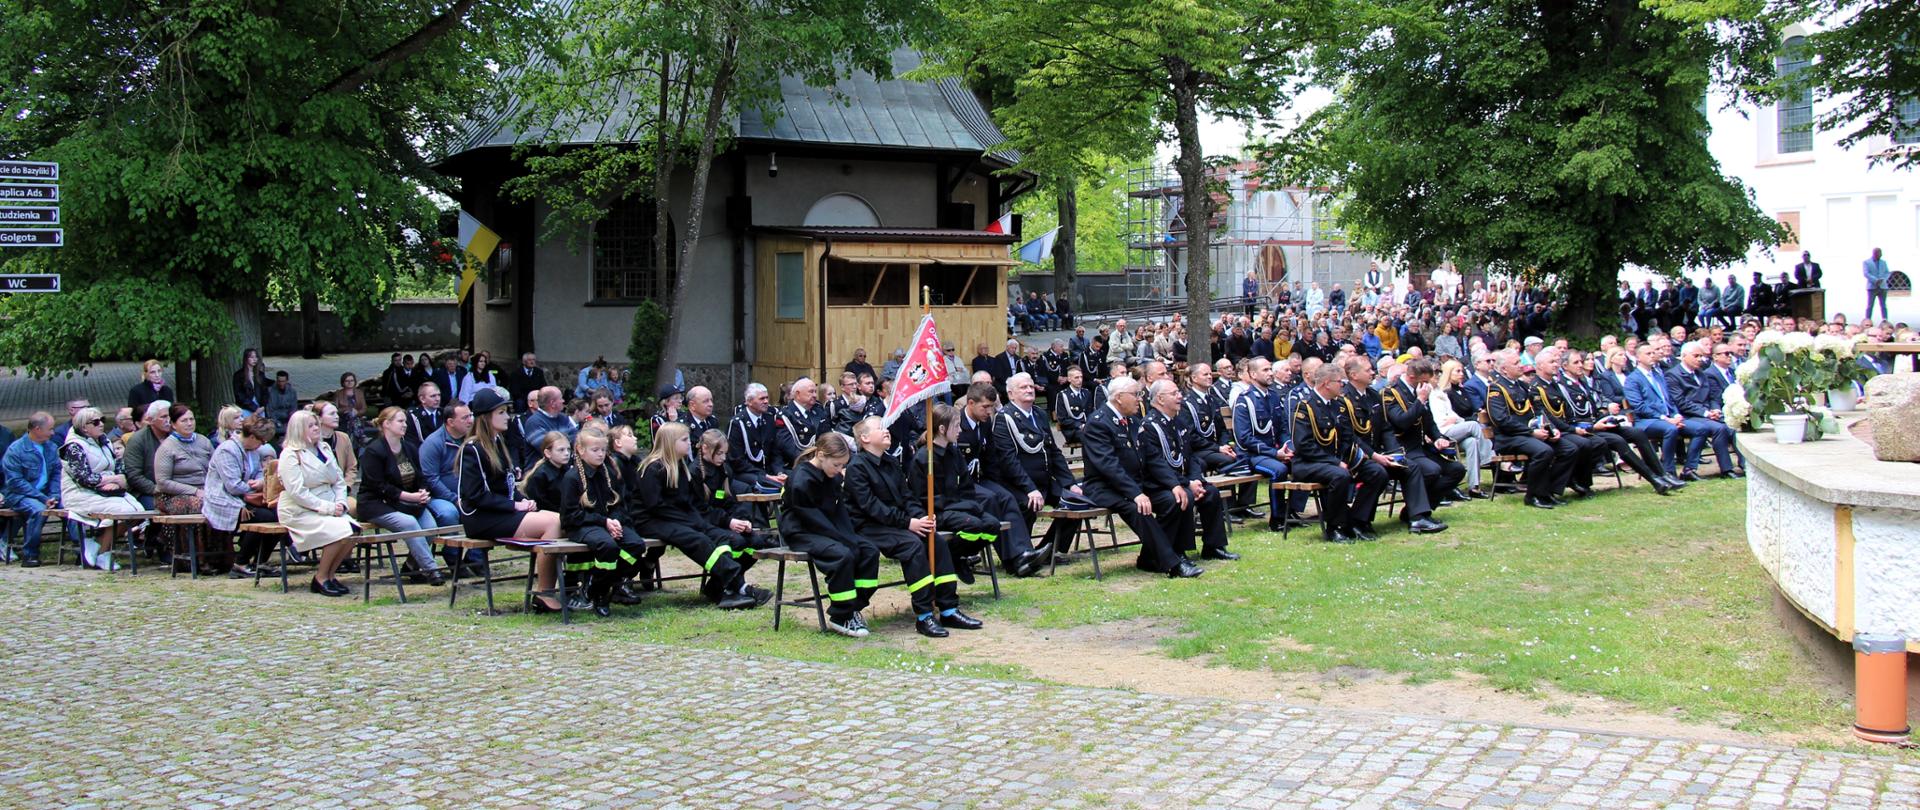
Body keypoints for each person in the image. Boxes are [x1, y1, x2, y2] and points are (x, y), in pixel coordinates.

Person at [846, 416, 981, 638]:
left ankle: (948, 608)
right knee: (912, 546)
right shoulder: (857, 468)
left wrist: (922, 518)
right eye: (880, 428)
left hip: (897, 522)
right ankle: (924, 614)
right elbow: (872, 508)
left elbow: (907, 497)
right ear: (865, 438)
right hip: (870, 527)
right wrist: (908, 523)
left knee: (934, 539)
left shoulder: (890, 463)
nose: (886, 431)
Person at [633, 422, 771, 610]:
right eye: (684, 440)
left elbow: (686, 503)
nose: (689, 443)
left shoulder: (679, 467)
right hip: (650, 520)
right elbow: (655, 506)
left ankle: (724, 587)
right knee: (696, 538)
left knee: (720, 535)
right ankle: (738, 586)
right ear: (669, 442)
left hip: (675, 517)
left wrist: (699, 521)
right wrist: (691, 521)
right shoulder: (652, 468)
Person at [1077, 377, 1200, 577]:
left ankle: (1154, 557)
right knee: (1138, 509)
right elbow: (1109, 467)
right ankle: (1172, 564)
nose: (1140, 399)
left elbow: (1153, 458)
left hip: (1134, 484)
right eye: (1135, 395)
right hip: (1106, 487)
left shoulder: (1133, 421)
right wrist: (1136, 494)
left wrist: (1174, 484)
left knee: (1175, 498)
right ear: (1118, 398)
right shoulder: (1098, 424)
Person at [457, 387, 567, 611]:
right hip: (482, 518)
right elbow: (475, 496)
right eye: (501, 413)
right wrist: (515, 505)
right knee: (553, 523)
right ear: (486, 417)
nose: (507, 417)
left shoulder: (498, 443)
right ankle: (544, 593)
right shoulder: (473, 449)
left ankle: (567, 584)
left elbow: (506, 485)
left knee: (560, 518)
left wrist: (523, 501)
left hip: (501, 512)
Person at [779, 431, 882, 637]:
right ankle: (840, 615)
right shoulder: (801, 479)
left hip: (827, 528)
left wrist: (850, 537)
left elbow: (839, 513)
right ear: (821, 455)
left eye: (843, 465)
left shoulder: (832, 477)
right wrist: (842, 539)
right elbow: (813, 520)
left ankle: (854, 607)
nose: (840, 470)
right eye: (837, 465)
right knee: (842, 555)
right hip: (802, 532)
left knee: (869, 550)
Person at [555, 428, 650, 617]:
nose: (600, 454)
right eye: (595, 450)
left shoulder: (608, 474)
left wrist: (615, 520)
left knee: (636, 545)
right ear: (581, 450)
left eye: (602, 450)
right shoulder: (572, 478)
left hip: (608, 523)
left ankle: (594, 587)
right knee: (607, 547)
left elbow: (617, 503)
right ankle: (599, 594)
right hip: (583, 526)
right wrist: (604, 521)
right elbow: (570, 516)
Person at [954, 382, 1047, 576]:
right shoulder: (956, 423)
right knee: (990, 499)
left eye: (992, 406)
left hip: (980, 478)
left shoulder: (985, 423)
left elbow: (990, 458)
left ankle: (1024, 552)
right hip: (960, 483)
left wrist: (998, 483)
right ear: (970, 403)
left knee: (1007, 496)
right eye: (985, 407)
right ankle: (1012, 559)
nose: (989, 411)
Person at [1288, 363, 1388, 542]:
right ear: (1327, 383)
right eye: (1339, 382)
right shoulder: (1305, 407)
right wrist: (1335, 462)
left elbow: (1348, 437)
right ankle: (1335, 527)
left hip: (1337, 460)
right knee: (1340, 475)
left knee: (1377, 472)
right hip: (1308, 463)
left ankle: (1358, 520)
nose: (1343, 385)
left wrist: (1352, 459)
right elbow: (1304, 445)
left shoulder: (1339, 405)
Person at [992, 373, 1082, 558]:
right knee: (1027, 506)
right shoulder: (1005, 418)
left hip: (1045, 481)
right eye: (1023, 387)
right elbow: (1008, 460)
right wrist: (1029, 488)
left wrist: (1070, 483)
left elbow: (1054, 452)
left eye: (1031, 387)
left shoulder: (1039, 414)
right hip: (1020, 485)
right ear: (1010, 394)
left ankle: (1050, 550)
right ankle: (1022, 554)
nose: (1029, 390)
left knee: (1077, 502)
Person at [1142, 379, 1233, 561]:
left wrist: (1196, 479)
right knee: (1183, 496)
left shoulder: (1178, 421)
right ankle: (1179, 552)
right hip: (1160, 483)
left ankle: (1213, 546)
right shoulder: (1149, 426)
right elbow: (1156, 465)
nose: (1180, 396)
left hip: (1184, 479)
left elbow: (1190, 456)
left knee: (1211, 492)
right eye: (1174, 393)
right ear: (1160, 399)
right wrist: (1187, 483)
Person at [358, 406, 447, 585]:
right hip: (377, 503)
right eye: (400, 421)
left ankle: (410, 566)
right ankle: (432, 570)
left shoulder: (409, 447)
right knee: (411, 524)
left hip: (409, 502)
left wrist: (422, 491)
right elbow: (378, 486)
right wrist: (408, 496)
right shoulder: (374, 451)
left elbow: (421, 476)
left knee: (430, 527)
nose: (405, 425)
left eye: (405, 421)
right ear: (386, 424)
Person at [275, 410, 356, 596]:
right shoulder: (290, 454)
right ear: (298, 429)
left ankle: (330, 575)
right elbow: (297, 492)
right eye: (310, 426)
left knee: (354, 531)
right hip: (300, 509)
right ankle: (320, 577)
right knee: (340, 531)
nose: (315, 429)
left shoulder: (324, 449)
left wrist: (341, 502)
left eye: (316, 424)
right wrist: (327, 507)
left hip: (330, 503)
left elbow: (338, 481)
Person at [1380, 359, 1465, 530]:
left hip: (1421, 447)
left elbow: (1428, 422)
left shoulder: (1419, 392)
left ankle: (1415, 510)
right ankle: (1419, 515)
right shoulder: (1391, 393)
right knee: (1431, 470)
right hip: (1404, 448)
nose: (1427, 385)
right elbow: (1401, 422)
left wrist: (1438, 438)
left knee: (1457, 470)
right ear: (1412, 377)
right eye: (1424, 381)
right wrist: (1420, 400)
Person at [1487, 349, 1578, 509]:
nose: (1521, 366)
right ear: (1504, 369)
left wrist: (1550, 429)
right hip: (1510, 437)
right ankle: (1532, 495)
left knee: (1569, 448)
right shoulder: (1496, 389)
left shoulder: (1522, 385)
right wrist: (1531, 432)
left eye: (1520, 362)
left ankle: (1549, 491)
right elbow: (1501, 420)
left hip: (1529, 434)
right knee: (1543, 451)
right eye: (1516, 363)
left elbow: (1538, 411)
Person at [203, 416, 280, 578]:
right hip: (224, 499)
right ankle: (241, 563)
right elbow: (232, 485)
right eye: (262, 441)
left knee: (280, 515)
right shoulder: (227, 450)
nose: (263, 445)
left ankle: (261, 561)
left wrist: (259, 483)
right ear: (252, 437)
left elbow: (260, 473)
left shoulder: (253, 451)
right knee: (262, 517)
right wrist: (254, 488)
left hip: (246, 496)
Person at [1664, 340, 1741, 480]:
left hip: (1706, 414)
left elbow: (1712, 396)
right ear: (1684, 356)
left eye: (1701, 356)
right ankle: (1692, 469)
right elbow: (1681, 402)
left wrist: (1715, 409)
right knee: (1719, 428)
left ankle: (1741, 465)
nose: (1700, 359)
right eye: (1696, 356)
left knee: (1732, 426)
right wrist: (1706, 413)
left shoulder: (1701, 374)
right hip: (1687, 416)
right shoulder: (1673, 375)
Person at [153, 404, 216, 571]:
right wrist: (194, 491)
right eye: (184, 420)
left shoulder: (204, 441)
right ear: (173, 424)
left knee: (223, 503)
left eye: (191, 419)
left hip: (205, 491)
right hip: (171, 496)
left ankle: (220, 557)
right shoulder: (167, 448)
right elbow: (163, 482)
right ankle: (197, 559)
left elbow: (215, 468)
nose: (189, 423)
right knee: (199, 505)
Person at [3, 412, 62, 567]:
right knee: (38, 510)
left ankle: (81, 551)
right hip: (19, 495)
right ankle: (30, 554)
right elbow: (15, 482)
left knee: (73, 509)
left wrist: (54, 494)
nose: (53, 432)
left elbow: (57, 473)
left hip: (47, 494)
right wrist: (43, 498)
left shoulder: (51, 447)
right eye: (50, 429)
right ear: (37, 429)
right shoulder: (16, 450)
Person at [1429, 360, 1492, 499]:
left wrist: (1457, 420)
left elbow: (1453, 415)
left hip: (1453, 427)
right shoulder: (1429, 393)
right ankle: (1489, 458)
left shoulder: (1441, 392)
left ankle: (1474, 486)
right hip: (1441, 431)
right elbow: (1439, 419)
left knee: (1471, 442)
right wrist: (1456, 420)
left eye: (1438, 373)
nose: (1437, 376)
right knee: (1475, 425)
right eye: (1435, 374)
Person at [727, 383, 789, 494]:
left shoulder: (769, 418)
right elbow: (737, 460)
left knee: (793, 478)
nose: (766, 401)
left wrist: (779, 472)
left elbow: (775, 452)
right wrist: (765, 475)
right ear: (749, 402)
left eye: (767, 398)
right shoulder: (738, 423)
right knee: (767, 484)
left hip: (768, 470)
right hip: (746, 472)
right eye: (761, 398)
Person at [406, 381, 445, 447]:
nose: (437, 399)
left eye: (439, 395)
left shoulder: (444, 413)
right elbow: (412, 443)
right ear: (422, 399)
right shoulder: (413, 416)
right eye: (433, 396)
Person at [233, 348, 269, 414]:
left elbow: (265, 392)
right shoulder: (238, 375)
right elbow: (239, 396)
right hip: (245, 408)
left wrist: (263, 406)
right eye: (252, 357)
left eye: (256, 357)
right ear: (246, 358)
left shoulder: (261, 375)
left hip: (260, 408)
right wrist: (254, 408)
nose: (255, 359)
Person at [1864, 247, 1891, 322]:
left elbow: (1887, 273)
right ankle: (1868, 319)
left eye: (1881, 253)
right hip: (1872, 287)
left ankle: (1885, 319)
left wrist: (1883, 280)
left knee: (1883, 305)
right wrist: (1875, 280)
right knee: (1870, 305)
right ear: (1874, 253)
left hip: (1882, 287)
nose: (1880, 255)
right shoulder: (1867, 262)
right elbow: (1866, 273)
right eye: (1879, 254)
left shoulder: (1883, 262)